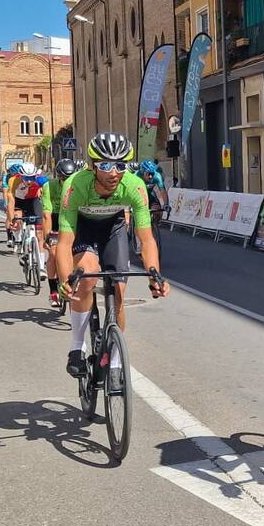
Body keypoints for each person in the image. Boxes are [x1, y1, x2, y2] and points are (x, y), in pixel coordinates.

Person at [56, 133, 168, 378]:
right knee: (85, 277)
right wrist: (66, 280)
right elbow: (64, 243)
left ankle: (116, 362)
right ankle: (77, 347)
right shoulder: (75, 185)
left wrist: (155, 275)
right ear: (93, 166)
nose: (114, 172)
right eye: (106, 165)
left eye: (120, 165)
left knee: (118, 292)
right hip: (83, 226)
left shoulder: (134, 185)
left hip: (113, 227)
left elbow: (146, 238)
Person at [41, 158, 78, 308]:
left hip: (72, 219)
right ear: (59, 177)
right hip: (56, 218)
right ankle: (53, 292)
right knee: (55, 253)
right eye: (64, 178)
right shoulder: (48, 187)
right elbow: (46, 215)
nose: (67, 181)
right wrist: (47, 237)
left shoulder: (78, 185)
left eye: (70, 178)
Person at [5, 161, 49, 276]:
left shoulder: (40, 179)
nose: (29, 181)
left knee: (39, 234)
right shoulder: (13, 180)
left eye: (31, 178)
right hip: (18, 201)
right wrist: (11, 219)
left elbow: (49, 195)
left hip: (33, 201)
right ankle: (19, 241)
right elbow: (11, 201)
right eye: (26, 178)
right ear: (20, 175)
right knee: (17, 219)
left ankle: (41, 265)